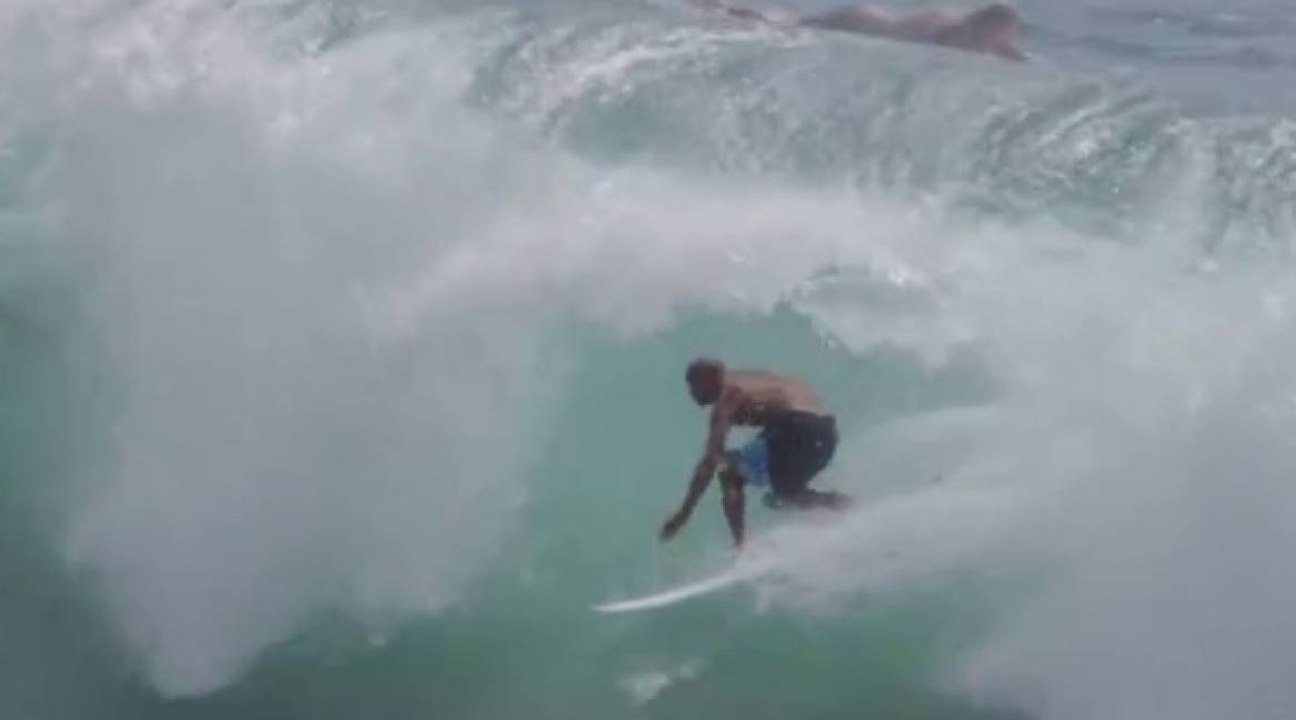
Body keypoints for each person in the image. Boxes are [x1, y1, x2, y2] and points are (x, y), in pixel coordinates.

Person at [659, 357, 848, 548]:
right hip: (826, 433)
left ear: (709, 380)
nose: (691, 393)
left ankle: (741, 546)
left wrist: (683, 514)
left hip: (797, 428)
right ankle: (847, 506)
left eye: (693, 386)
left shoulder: (727, 397)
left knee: (729, 473)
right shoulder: (751, 379)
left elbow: (710, 460)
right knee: (785, 494)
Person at [694, 1, 1028, 62]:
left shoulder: (982, 41)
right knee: (784, 28)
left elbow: (1011, 54)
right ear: (982, 25)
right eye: (1000, 32)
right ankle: (721, 9)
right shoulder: (945, 25)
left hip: (868, 25)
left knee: (789, 23)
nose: (1003, 40)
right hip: (859, 22)